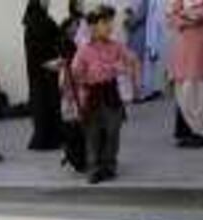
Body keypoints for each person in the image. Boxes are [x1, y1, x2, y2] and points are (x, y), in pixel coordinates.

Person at [73, 5, 140, 184]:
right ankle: (94, 168)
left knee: (113, 131)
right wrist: (86, 80)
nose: (110, 27)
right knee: (93, 134)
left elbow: (131, 60)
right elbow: (76, 72)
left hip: (111, 94)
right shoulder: (84, 49)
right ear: (93, 27)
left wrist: (128, 72)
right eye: (105, 23)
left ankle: (109, 165)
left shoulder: (116, 46)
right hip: (92, 96)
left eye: (111, 22)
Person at [168, 0, 203, 147]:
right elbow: (171, 17)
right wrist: (186, 16)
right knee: (182, 90)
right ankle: (193, 129)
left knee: (200, 92)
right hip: (184, 49)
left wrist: (182, 15)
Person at [23, 0, 64, 151]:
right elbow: (34, 50)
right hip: (40, 71)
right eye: (45, 0)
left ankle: (55, 136)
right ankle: (45, 139)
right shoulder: (33, 22)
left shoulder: (45, 20)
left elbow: (56, 37)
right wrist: (46, 63)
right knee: (43, 103)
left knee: (52, 102)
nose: (48, 3)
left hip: (50, 69)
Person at [58, 23, 89, 173]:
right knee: (76, 134)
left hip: (74, 105)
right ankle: (76, 159)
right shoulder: (69, 65)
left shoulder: (70, 66)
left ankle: (76, 159)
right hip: (74, 106)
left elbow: (66, 87)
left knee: (74, 134)